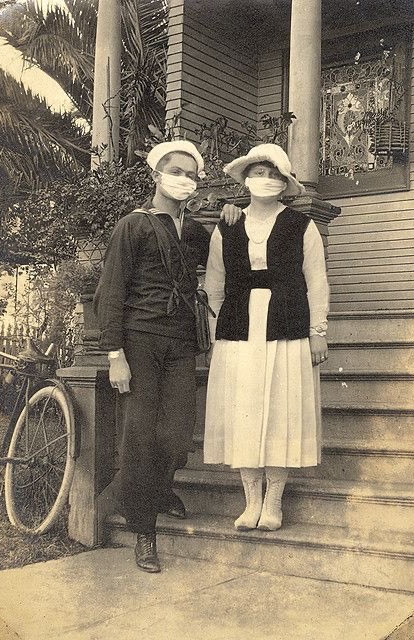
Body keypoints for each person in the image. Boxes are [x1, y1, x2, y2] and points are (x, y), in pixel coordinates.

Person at [94, 140, 240, 573]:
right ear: (156, 174)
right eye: (175, 171)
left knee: (177, 432)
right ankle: (144, 531)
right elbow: (111, 292)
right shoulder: (133, 226)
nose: (184, 180)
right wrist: (114, 354)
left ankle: (159, 489)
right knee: (140, 433)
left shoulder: (192, 229)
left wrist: (233, 216)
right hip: (139, 339)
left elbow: (227, 249)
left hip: (179, 341)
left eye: (191, 175)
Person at [204, 143, 329, 532]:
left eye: (273, 175)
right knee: (245, 411)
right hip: (239, 330)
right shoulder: (226, 226)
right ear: (245, 180)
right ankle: (250, 501)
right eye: (258, 173)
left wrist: (318, 332)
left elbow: (316, 281)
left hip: (286, 328)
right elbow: (215, 285)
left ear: (283, 183)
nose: (265, 180)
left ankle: (273, 503)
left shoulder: (300, 226)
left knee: (280, 412)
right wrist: (214, 338)